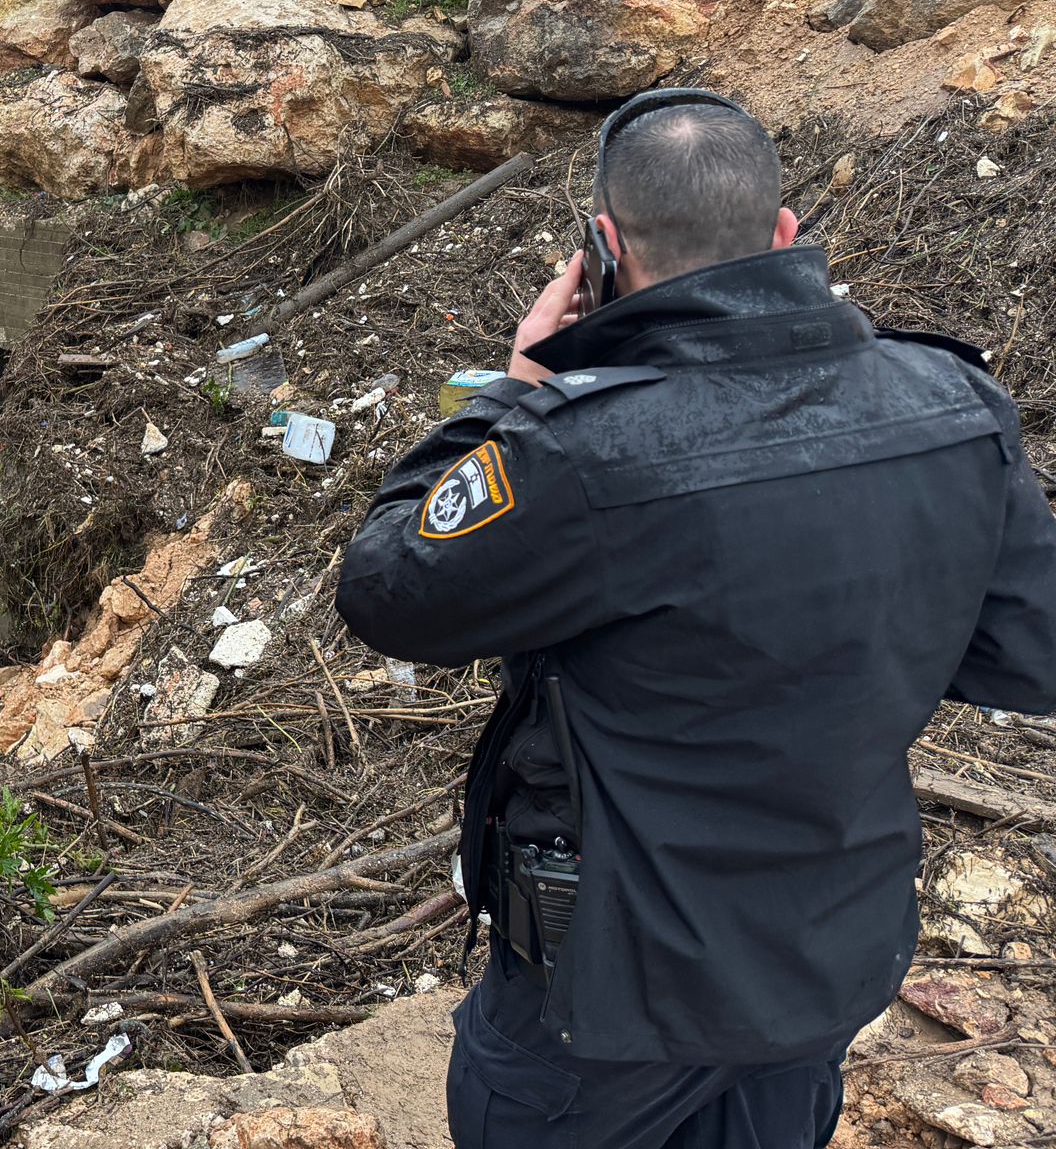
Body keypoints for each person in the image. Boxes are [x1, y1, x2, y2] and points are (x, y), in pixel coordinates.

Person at [334, 89, 1056, 1149]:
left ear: (603, 247)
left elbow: (388, 591)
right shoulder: (952, 403)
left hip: (616, 990)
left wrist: (513, 389)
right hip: (825, 947)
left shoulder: (578, 448)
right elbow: (1029, 656)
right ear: (783, 234)